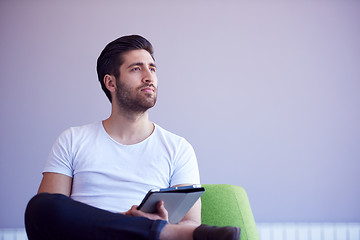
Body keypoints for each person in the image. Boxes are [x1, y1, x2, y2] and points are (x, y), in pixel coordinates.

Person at [24, 35, 241, 240]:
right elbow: (48, 217)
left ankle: (155, 231)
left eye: (152, 68)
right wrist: (135, 226)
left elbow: (191, 227)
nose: (149, 77)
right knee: (40, 206)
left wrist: (162, 223)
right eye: (136, 69)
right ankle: (153, 231)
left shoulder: (178, 148)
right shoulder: (72, 139)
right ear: (111, 83)